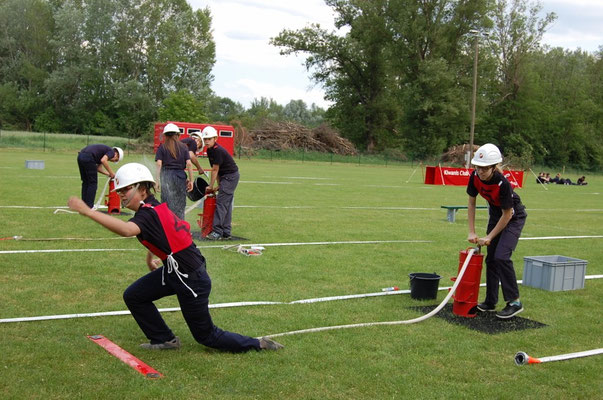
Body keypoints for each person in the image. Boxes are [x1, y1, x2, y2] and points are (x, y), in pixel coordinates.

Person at [67, 163, 283, 352]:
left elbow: (126, 230)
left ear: (142, 190)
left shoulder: (148, 213)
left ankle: (258, 343)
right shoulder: (153, 206)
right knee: (134, 296)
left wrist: (89, 212)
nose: (121, 194)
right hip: (177, 270)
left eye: (125, 189)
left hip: (191, 278)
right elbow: (164, 233)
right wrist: (150, 257)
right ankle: (164, 339)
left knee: (207, 336)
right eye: (119, 190)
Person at [467, 143, 527, 319]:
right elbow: (471, 202)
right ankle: (490, 302)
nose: (480, 172)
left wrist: (489, 237)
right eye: (478, 167)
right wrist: (471, 231)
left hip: (513, 217)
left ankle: (514, 302)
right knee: (491, 259)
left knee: (501, 256)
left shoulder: (503, 183)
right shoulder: (474, 177)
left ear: (494, 167)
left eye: (485, 169)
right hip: (496, 215)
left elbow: (507, 214)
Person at [202, 126, 240, 240]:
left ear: (215, 138)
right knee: (226, 205)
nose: (207, 141)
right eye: (205, 139)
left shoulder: (217, 150)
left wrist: (210, 186)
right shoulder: (210, 151)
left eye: (209, 139)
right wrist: (219, 184)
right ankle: (226, 232)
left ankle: (217, 231)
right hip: (225, 177)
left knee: (221, 204)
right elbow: (217, 171)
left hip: (230, 177)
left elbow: (215, 170)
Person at [155, 123, 194, 220]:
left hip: (166, 177)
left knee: (166, 204)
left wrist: (157, 180)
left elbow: (159, 164)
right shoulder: (184, 147)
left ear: (165, 135)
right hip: (180, 177)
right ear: (178, 135)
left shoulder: (162, 147)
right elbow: (189, 164)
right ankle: (180, 228)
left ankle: (167, 227)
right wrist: (191, 180)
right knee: (180, 204)